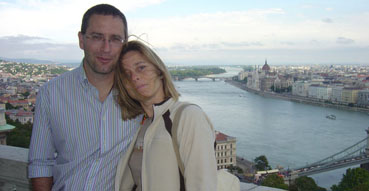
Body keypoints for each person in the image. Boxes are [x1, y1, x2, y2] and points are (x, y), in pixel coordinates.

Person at [28, 4, 140, 191]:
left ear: (124, 44)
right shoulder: (51, 93)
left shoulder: (139, 94)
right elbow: (40, 162)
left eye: (115, 39)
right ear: (81, 40)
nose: (106, 48)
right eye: (97, 37)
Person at [114, 40, 217, 191]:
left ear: (159, 71)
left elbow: (203, 185)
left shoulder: (188, 116)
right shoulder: (139, 125)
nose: (134, 77)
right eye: (126, 75)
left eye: (141, 68)